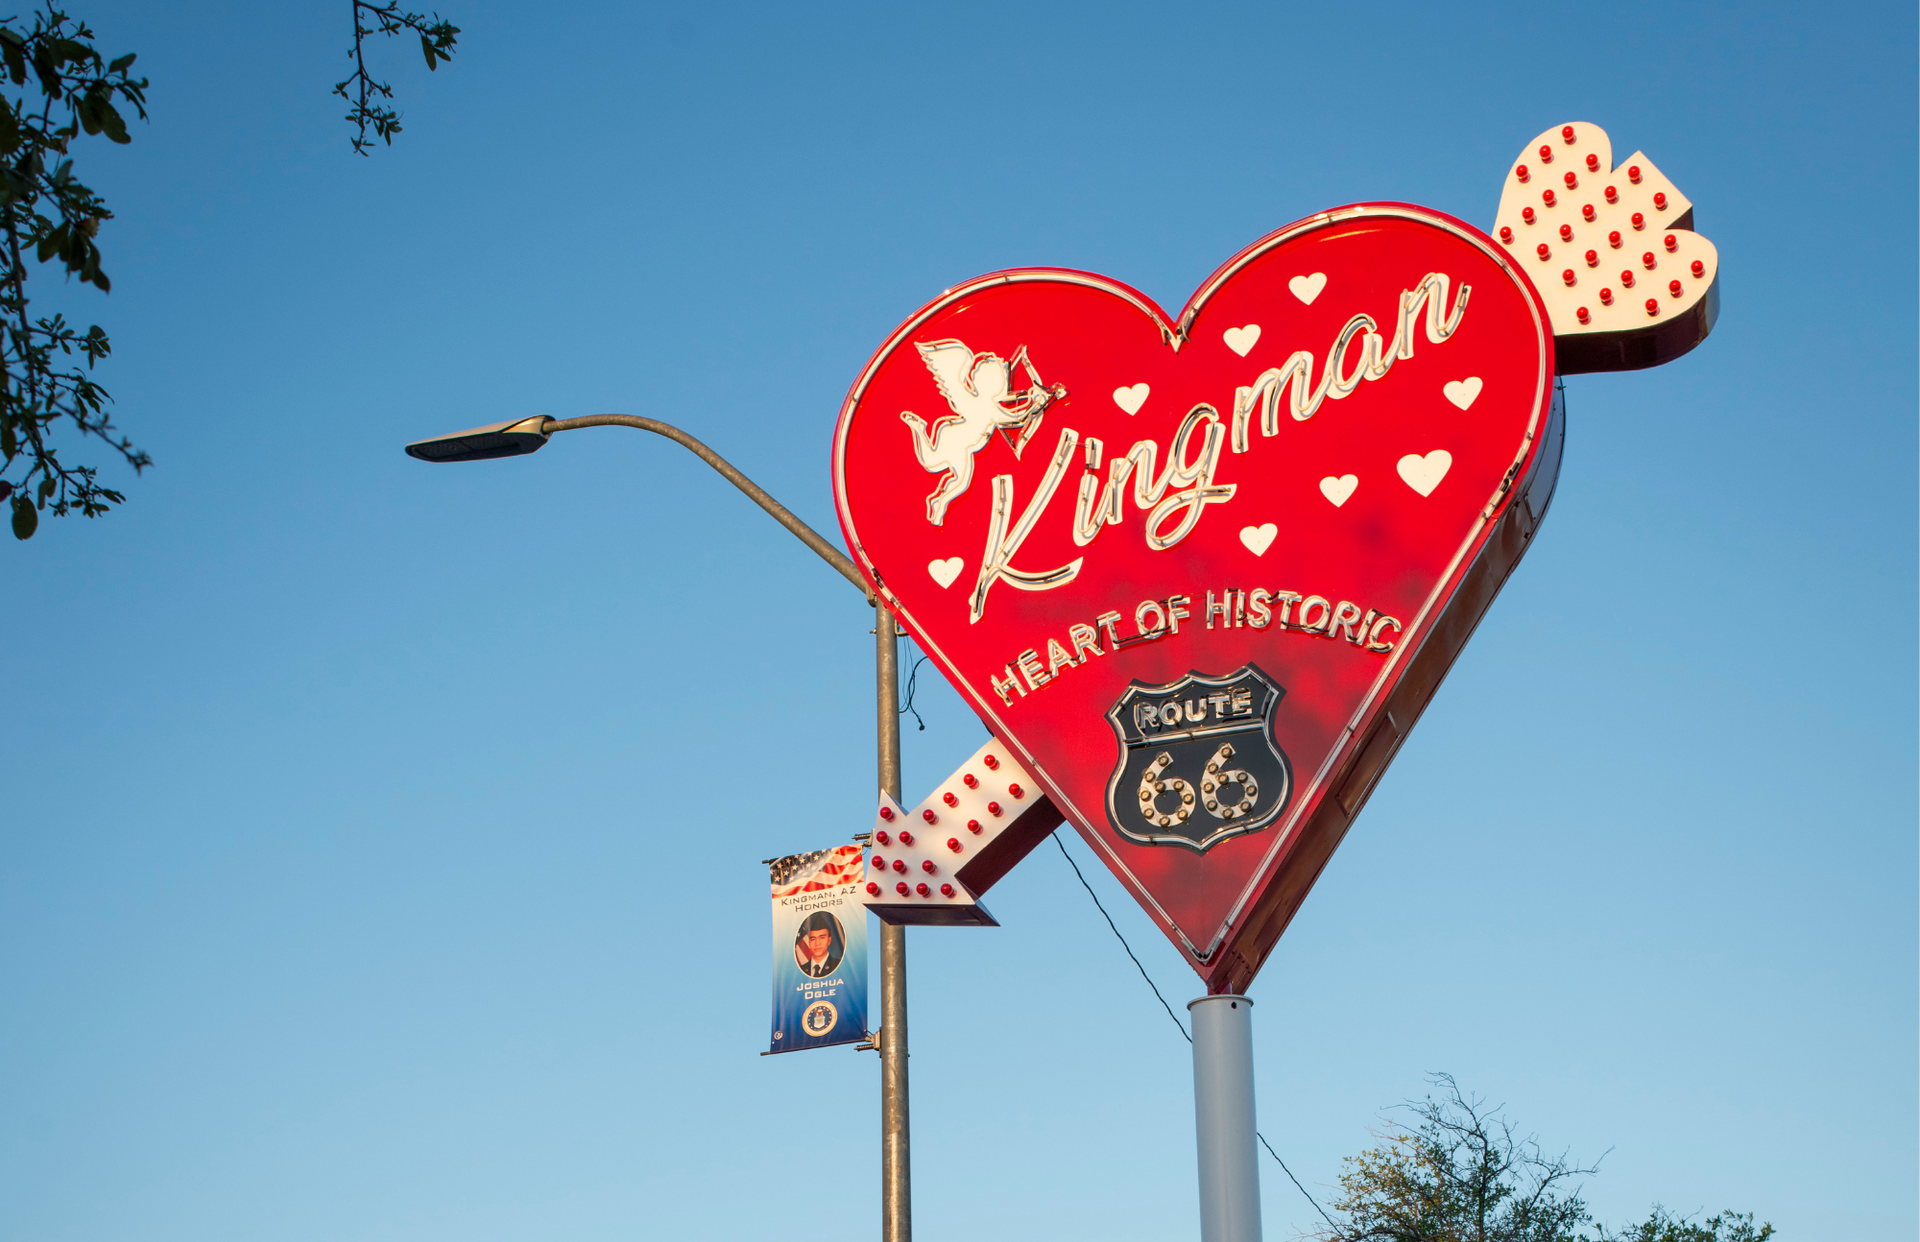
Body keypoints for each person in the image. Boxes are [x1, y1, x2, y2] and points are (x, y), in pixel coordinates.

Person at [793, 911, 844, 978]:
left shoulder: (840, 966)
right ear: (809, 942)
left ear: (829, 940)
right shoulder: (800, 970)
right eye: (813, 939)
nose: (817, 943)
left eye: (822, 938)